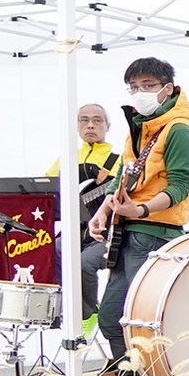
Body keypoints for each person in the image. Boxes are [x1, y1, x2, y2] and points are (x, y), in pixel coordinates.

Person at [89, 59, 189, 376]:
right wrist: (106, 209)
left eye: (148, 85)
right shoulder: (140, 126)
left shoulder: (179, 129)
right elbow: (124, 175)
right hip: (126, 232)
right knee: (111, 317)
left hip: (155, 235)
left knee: (143, 322)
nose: (140, 93)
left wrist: (139, 208)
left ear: (168, 88)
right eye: (134, 87)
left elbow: (181, 185)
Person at [46, 103, 121, 334]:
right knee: (49, 251)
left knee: (82, 263)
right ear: (76, 126)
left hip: (106, 235)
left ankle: (88, 314)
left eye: (97, 120)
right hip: (74, 232)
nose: (90, 124)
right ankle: (63, 309)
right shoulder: (65, 159)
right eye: (84, 119)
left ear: (108, 126)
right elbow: (47, 194)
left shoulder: (118, 160)